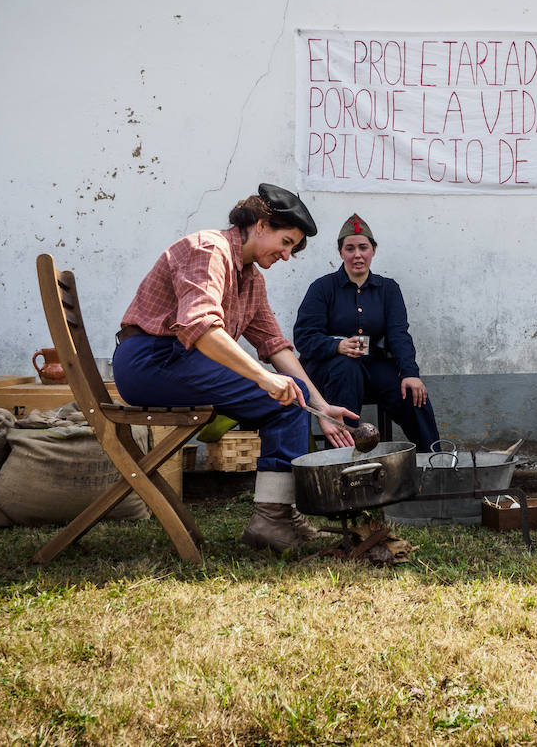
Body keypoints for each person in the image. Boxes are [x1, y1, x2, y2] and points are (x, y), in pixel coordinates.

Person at [112, 183, 358, 555]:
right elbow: (203, 329)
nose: (287, 254)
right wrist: (265, 379)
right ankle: (273, 520)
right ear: (260, 225)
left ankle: (276, 515)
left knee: (292, 394)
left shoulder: (250, 278)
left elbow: (276, 346)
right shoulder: (208, 249)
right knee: (286, 398)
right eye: (286, 241)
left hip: (176, 361)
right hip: (150, 361)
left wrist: (321, 406)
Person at [292, 213, 441, 452]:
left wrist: (410, 373)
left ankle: (434, 458)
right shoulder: (322, 288)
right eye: (350, 248)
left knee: (413, 392)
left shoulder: (388, 289)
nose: (357, 254)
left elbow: (398, 334)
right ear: (341, 252)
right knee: (346, 368)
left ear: (373, 250)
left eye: (363, 247)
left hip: (373, 366)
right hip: (330, 371)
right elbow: (304, 337)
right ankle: (344, 456)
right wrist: (336, 346)